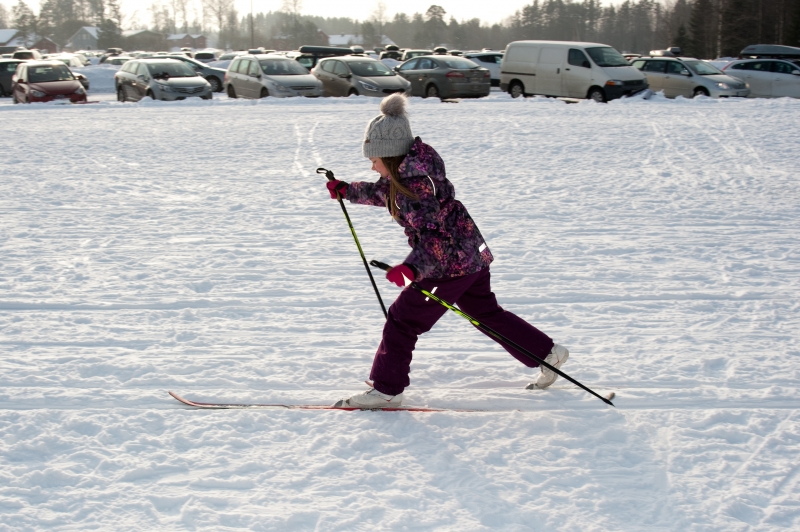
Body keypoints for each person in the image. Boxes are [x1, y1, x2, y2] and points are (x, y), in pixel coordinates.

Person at [325, 93, 569, 408]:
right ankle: (548, 354)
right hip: (471, 256)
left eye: (373, 159)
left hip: (448, 265)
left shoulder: (415, 188)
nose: (371, 166)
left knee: (402, 319)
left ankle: (386, 390)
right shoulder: (415, 171)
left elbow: (433, 238)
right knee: (485, 313)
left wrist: (411, 268)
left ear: (391, 155)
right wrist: (347, 190)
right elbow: (385, 192)